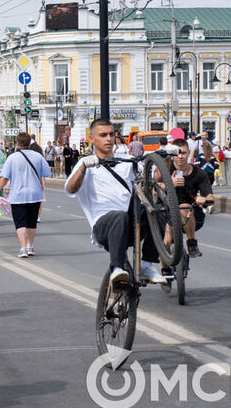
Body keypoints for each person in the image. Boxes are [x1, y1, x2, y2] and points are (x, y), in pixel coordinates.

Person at [65, 119, 166, 287]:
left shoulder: (127, 160)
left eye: (111, 134)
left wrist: (165, 156)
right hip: (104, 227)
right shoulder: (86, 163)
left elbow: (154, 179)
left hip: (130, 224)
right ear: (92, 139)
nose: (108, 139)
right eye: (103, 135)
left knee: (156, 211)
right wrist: (83, 167)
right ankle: (117, 268)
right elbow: (71, 189)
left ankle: (146, 265)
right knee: (118, 216)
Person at [0, 132, 51, 257]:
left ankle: (23, 248)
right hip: (35, 194)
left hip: (18, 195)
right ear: (29, 143)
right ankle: (30, 246)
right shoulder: (38, 156)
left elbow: (4, 178)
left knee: (20, 222)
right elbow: (46, 172)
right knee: (31, 222)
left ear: (17, 143)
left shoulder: (12, 158)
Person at [162, 139, 214, 262]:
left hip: (192, 215)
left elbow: (211, 197)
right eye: (177, 153)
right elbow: (153, 188)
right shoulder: (165, 169)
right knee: (165, 242)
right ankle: (166, 271)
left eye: (183, 153)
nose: (180, 156)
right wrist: (170, 183)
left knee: (184, 206)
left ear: (189, 153)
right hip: (167, 213)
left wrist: (204, 199)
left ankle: (191, 243)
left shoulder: (199, 173)